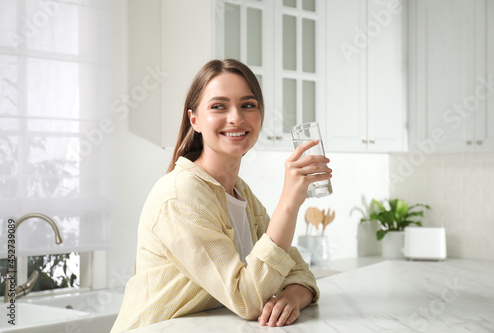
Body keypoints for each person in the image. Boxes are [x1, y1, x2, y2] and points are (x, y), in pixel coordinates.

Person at [111, 59, 332, 332]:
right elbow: (246, 298)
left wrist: (290, 297)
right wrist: (289, 201)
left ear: (260, 116)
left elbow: (299, 271)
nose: (236, 117)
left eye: (248, 105)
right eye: (219, 106)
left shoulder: (240, 192)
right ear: (195, 120)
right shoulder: (181, 195)